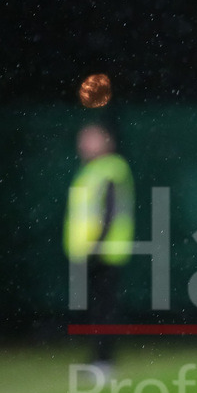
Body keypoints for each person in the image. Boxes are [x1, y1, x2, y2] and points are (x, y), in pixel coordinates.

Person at [64, 124, 135, 373]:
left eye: (90, 140)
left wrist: (97, 245)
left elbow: (110, 211)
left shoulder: (111, 168)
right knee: (96, 308)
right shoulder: (89, 170)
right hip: (87, 252)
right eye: (83, 140)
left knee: (104, 308)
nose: (84, 145)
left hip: (105, 252)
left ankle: (104, 360)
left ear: (106, 142)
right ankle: (98, 357)